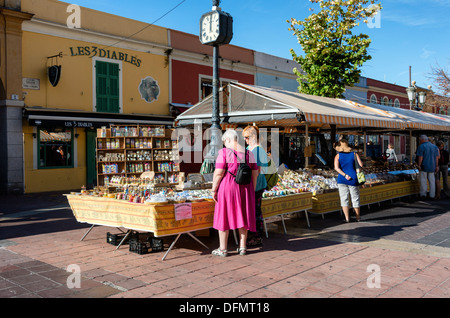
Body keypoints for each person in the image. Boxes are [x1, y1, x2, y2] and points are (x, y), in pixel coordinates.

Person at [211, 129, 259, 257]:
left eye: (224, 142)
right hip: (246, 188)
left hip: (228, 187)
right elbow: (255, 174)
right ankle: (242, 247)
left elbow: (218, 173)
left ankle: (223, 249)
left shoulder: (224, 153)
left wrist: (214, 189)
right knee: (243, 216)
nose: (224, 144)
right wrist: (252, 189)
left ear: (228, 140)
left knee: (224, 215)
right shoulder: (249, 154)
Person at [243, 125, 269, 247]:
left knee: (255, 211)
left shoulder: (258, 150)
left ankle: (257, 236)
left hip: (256, 183)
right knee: (252, 210)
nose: (245, 140)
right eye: (244, 137)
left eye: (247, 137)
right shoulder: (250, 147)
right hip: (252, 183)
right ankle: (252, 234)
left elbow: (257, 170)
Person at [333, 139, 363, 222]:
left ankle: (347, 218)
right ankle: (357, 217)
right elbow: (361, 165)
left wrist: (345, 175)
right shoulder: (354, 154)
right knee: (355, 198)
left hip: (342, 179)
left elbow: (336, 168)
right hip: (353, 178)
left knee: (344, 199)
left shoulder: (338, 156)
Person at [416, 135, 440, 199]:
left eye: (420, 140)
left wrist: (419, 165)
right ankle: (432, 195)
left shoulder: (421, 146)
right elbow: (437, 158)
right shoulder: (434, 147)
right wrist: (437, 166)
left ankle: (423, 194)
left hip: (424, 166)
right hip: (432, 166)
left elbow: (420, 157)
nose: (420, 141)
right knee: (432, 181)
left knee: (423, 180)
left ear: (422, 140)